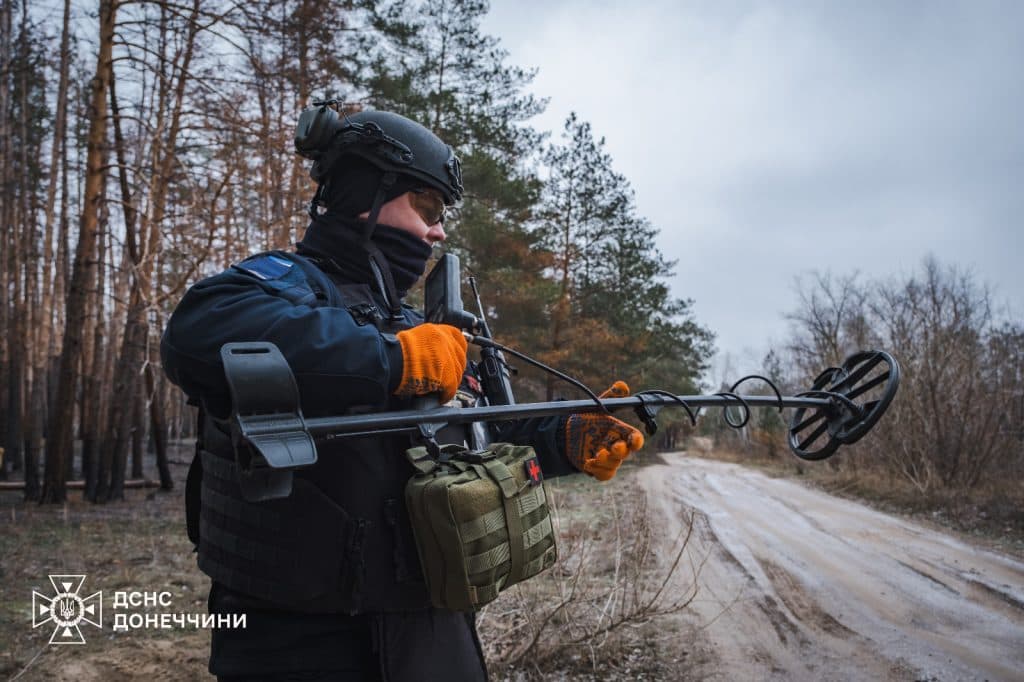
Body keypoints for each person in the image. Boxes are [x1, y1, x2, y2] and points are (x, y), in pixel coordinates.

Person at [160, 108, 645, 681]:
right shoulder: (280, 283)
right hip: (294, 639)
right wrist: (393, 360)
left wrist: (565, 438)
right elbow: (197, 334)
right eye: (429, 208)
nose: (440, 231)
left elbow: (486, 432)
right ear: (370, 195)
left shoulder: (418, 323)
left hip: (431, 629)